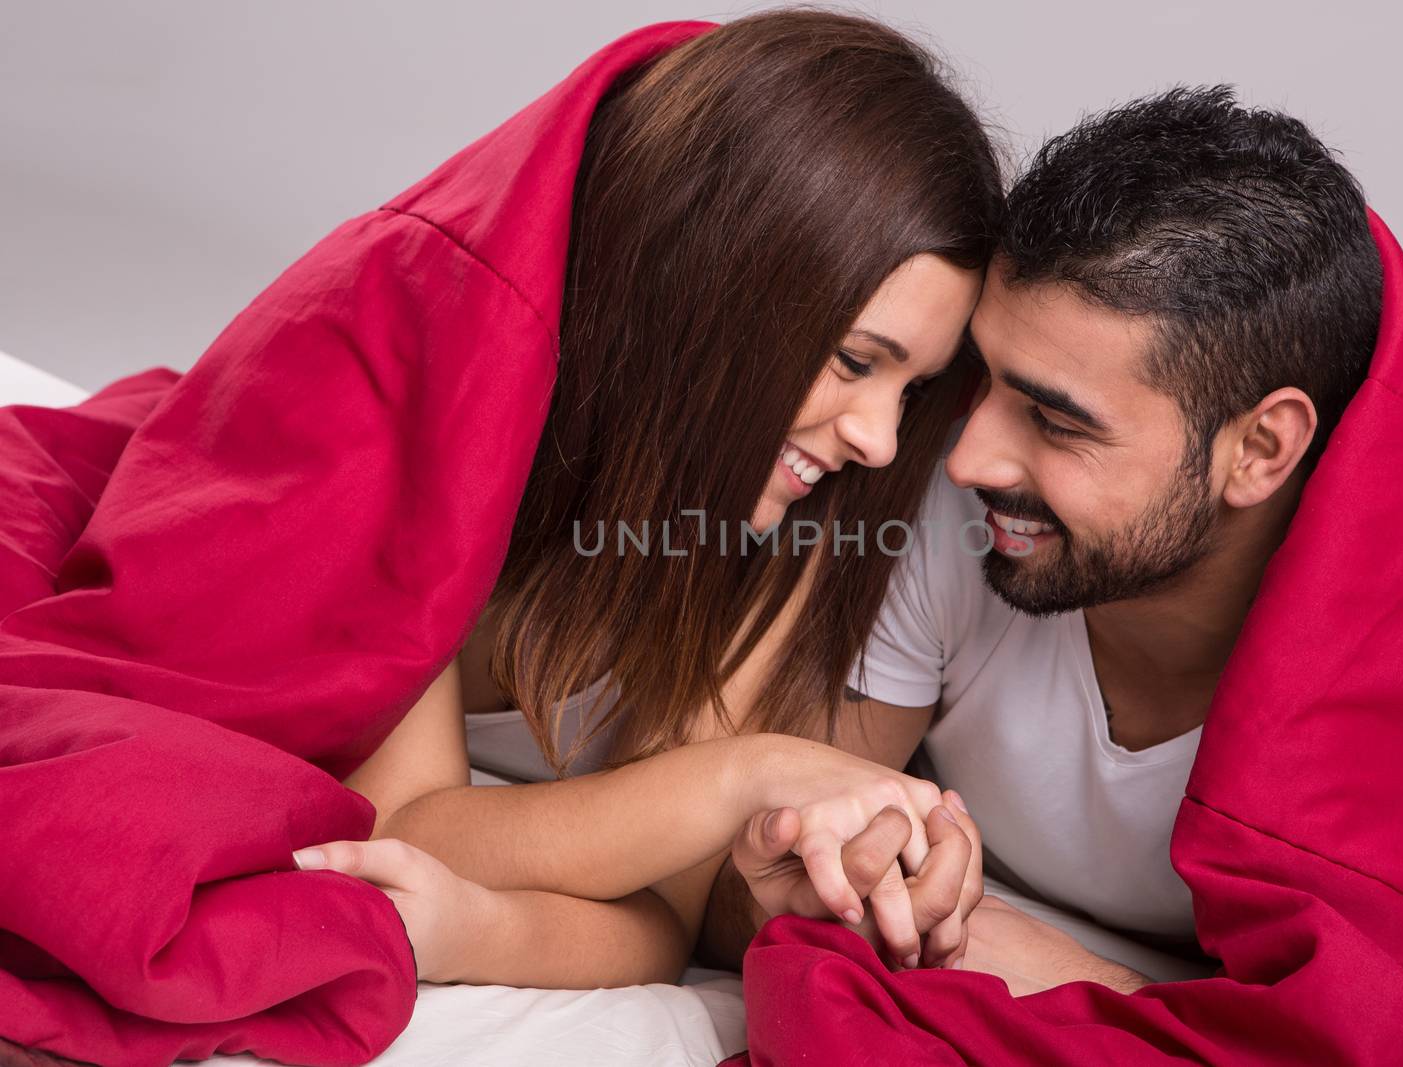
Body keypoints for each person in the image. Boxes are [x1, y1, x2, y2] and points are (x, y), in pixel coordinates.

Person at [292, 9, 1002, 989]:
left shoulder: (791, 524)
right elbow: (410, 820)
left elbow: (656, 924)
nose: (878, 438)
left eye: (910, 389)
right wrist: (743, 773)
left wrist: (481, 931)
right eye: (852, 361)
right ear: (706, 293)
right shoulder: (444, 420)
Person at [705, 85, 1385, 987]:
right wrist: (823, 888)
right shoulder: (960, 520)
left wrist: (1081, 979)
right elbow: (736, 888)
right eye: (981, 383)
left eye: (1057, 423)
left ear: (1259, 449)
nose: (967, 459)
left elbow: (1399, 1020)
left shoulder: (1387, 678)